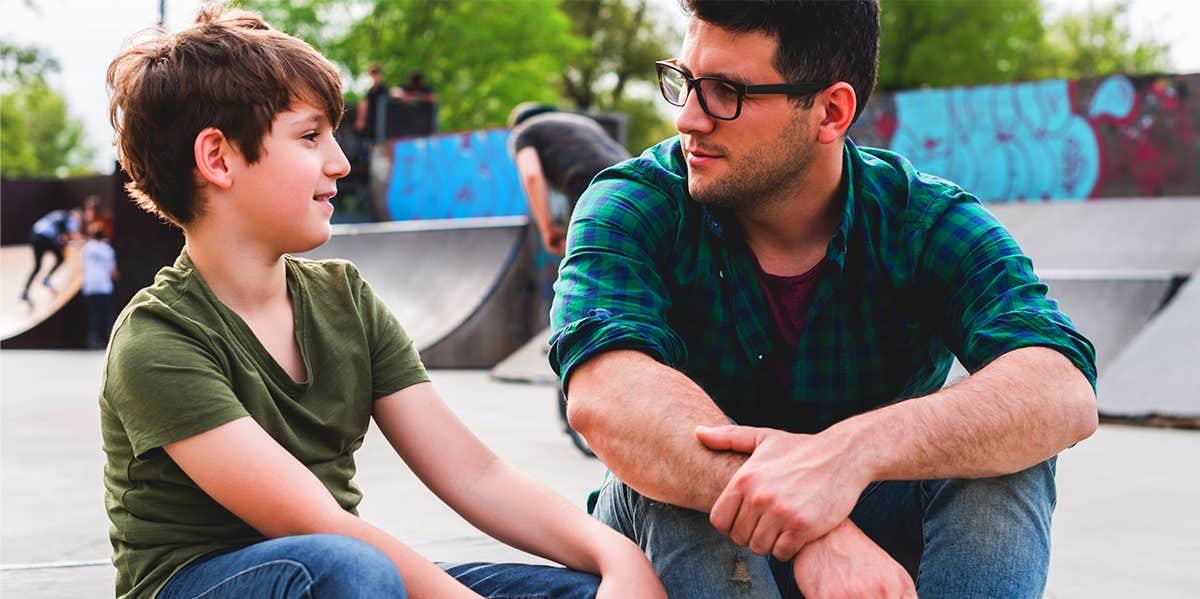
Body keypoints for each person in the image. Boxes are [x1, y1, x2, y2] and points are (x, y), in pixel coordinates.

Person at [102, 7, 666, 599]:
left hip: (343, 571)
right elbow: (310, 522)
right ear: (218, 158)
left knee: (574, 591)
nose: (340, 162)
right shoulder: (158, 339)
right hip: (216, 582)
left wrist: (614, 555)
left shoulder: (343, 301)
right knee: (350, 569)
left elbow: (475, 474)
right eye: (310, 135)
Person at [549, 1, 1099, 598]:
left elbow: (1060, 386)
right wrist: (811, 522)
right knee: (672, 473)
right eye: (683, 82)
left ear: (830, 111)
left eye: (726, 92)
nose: (689, 120)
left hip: (873, 542)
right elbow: (605, 394)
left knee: (1004, 457)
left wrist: (846, 457)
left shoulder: (924, 221)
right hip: (677, 545)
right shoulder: (633, 203)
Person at [508, 104, 630, 256]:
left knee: (582, 256)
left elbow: (532, 176)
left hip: (593, 188)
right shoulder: (583, 122)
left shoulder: (523, 132)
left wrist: (547, 229)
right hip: (634, 182)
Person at [20, 207, 82, 302]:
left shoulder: (59, 214)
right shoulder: (69, 218)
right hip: (45, 237)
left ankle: (25, 291)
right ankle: (46, 278)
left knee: (37, 266)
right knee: (61, 258)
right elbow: (70, 235)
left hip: (34, 235)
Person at [81, 223, 119, 349]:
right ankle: (111, 338)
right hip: (104, 285)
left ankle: (93, 339)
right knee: (107, 313)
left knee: (94, 314)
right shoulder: (107, 248)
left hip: (91, 284)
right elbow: (112, 271)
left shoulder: (87, 247)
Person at [354, 64, 389, 141]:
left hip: (381, 124)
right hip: (371, 124)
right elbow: (364, 104)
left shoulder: (383, 89)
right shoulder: (370, 90)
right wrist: (361, 119)